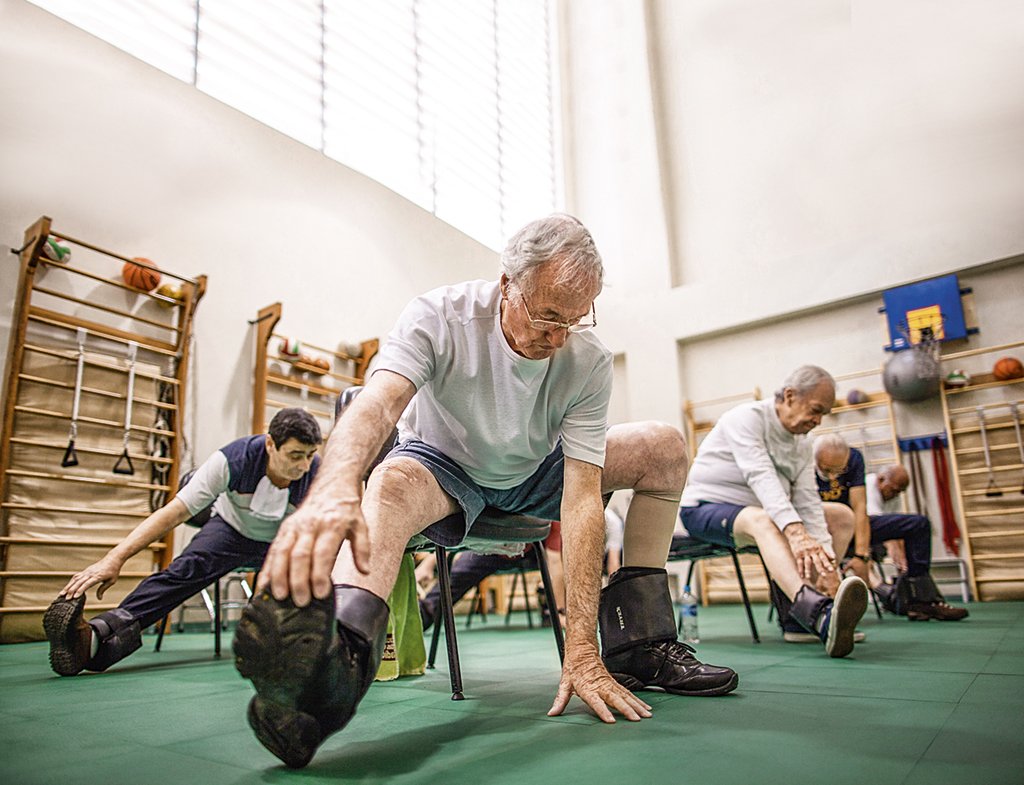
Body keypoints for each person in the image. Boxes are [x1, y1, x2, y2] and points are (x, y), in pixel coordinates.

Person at [232, 214, 738, 769]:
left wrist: (584, 646)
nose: (558, 335)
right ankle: (334, 672)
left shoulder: (585, 359)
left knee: (663, 446)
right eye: (547, 314)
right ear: (506, 285)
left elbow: (582, 500)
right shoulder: (441, 315)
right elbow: (377, 405)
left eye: (575, 318)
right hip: (442, 466)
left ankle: (640, 646)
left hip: (535, 473)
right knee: (392, 483)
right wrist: (332, 488)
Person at [43, 407, 322, 676]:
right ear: (270, 444)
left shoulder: (317, 474)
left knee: (313, 576)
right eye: (295, 455)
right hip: (230, 532)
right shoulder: (232, 460)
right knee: (183, 571)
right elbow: (173, 512)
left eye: (310, 455)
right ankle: (95, 640)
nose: (304, 465)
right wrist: (115, 558)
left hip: (282, 541)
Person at [678, 365, 868, 658]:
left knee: (841, 516)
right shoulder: (746, 419)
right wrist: (795, 532)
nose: (817, 421)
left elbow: (808, 502)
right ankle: (816, 613)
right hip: (704, 510)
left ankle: (809, 613)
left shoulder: (803, 444)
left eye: (823, 415)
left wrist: (829, 567)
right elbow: (760, 476)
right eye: (815, 410)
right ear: (790, 396)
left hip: (759, 512)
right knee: (766, 518)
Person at [814, 436, 968, 621]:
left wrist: (861, 555)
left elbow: (860, 509)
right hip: (819, 530)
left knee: (917, 524)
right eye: (827, 470)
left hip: (855, 528)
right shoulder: (805, 461)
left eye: (838, 470)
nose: (833, 477)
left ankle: (922, 600)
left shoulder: (854, 459)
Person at [418, 522, 565, 632]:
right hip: (493, 548)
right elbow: (457, 533)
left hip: (534, 549)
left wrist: (559, 611)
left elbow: (554, 560)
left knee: (567, 558)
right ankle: (424, 613)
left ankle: (550, 606)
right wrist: (427, 565)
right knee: (461, 573)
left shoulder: (550, 512)